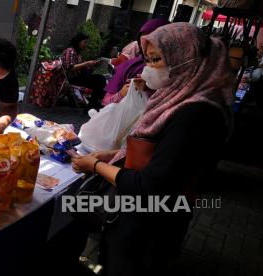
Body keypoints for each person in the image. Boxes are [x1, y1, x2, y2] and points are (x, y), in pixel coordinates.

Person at [71, 23, 234, 275]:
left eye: (156, 60)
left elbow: (150, 185)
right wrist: (113, 156)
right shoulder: (176, 97)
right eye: (147, 59)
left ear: (186, 59)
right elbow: (157, 154)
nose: (148, 68)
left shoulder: (196, 114)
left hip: (150, 226)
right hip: (135, 218)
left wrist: (95, 166)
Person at [102, 18, 170, 106]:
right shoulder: (130, 67)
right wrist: (121, 95)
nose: (147, 48)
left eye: (152, 42)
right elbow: (106, 101)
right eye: (142, 43)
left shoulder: (180, 73)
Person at [61, 32, 106, 110]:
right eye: (85, 42)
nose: (85, 44)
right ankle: (92, 106)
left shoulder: (77, 53)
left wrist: (92, 64)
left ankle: (93, 105)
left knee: (100, 78)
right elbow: (70, 67)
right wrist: (86, 63)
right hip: (72, 78)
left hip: (79, 76)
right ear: (79, 41)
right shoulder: (70, 51)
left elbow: (82, 66)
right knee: (100, 80)